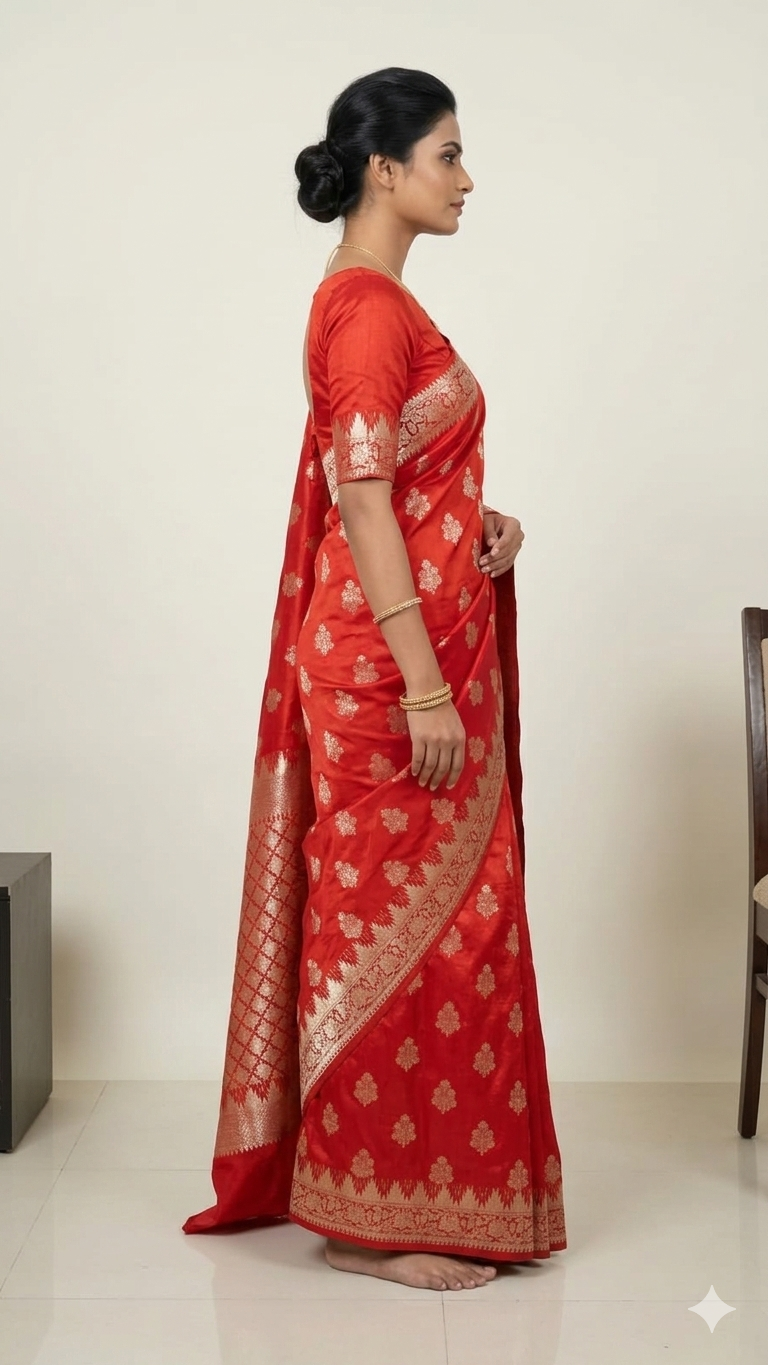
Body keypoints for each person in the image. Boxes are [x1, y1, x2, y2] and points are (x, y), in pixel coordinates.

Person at [183, 66, 566, 1292]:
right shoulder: (364, 309)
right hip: (387, 681)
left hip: (411, 654)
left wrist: (476, 520)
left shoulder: (377, 302)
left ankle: (423, 1193)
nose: (467, 179)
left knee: (454, 934)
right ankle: (362, 1222)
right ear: (385, 169)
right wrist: (423, 686)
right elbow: (358, 498)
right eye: (448, 154)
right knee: (384, 942)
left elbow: (399, 484)